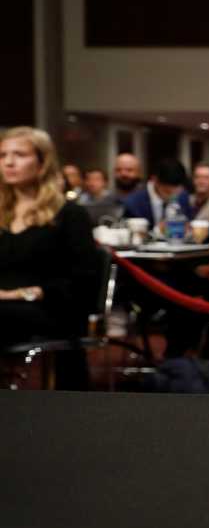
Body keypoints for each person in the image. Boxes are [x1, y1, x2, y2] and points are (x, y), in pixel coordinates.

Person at [0, 128, 100, 367]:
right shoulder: (2, 213)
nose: (9, 162)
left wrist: (18, 294)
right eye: (3, 155)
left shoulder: (70, 214)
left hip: (54, 308)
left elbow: (83, 282)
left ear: (42, 162)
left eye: (20, 155)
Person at [121, 158, 191, 231]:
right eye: (167, 192)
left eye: (177, 192)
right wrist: (157, 230)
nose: (172, 196)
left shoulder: (183, 196)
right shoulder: (134, 203)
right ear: (154, 180)